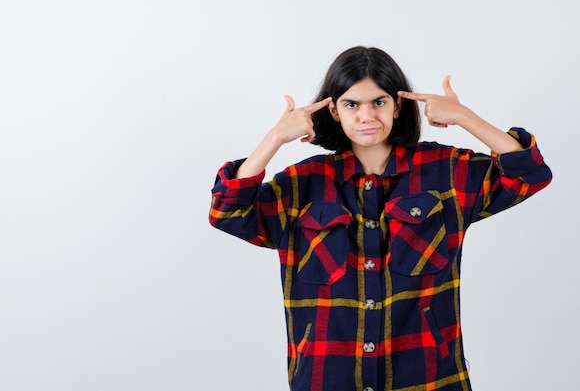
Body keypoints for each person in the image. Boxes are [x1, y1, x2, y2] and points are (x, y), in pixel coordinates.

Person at [209, 46, 552, 391]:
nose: (366, 116)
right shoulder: (302, 184)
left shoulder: (444, 172)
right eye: (351, 104)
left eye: (379, 102)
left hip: (428, 378)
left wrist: (465, 117)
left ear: (397, 105)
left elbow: (529, 174)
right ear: (333, 109)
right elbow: (228, 212)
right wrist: (274, 139)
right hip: (327, 378)